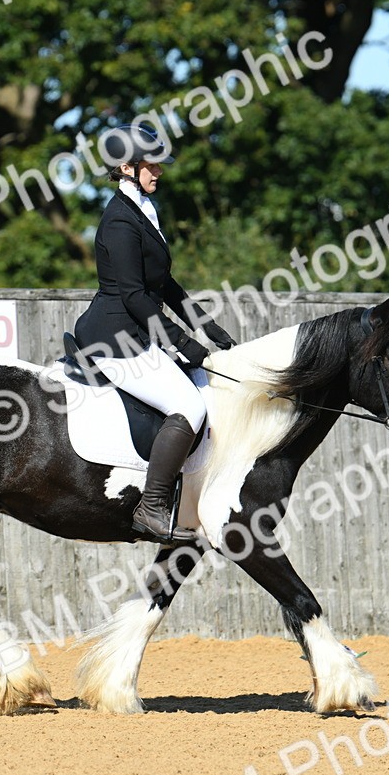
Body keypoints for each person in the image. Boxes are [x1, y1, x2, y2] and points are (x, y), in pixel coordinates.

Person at [74, 124, 236, 543]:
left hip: (135, 330)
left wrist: (209, 327)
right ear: (126, 167)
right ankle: (152, 507)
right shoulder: (119, 222)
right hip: (114, 337)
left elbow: (163, 285)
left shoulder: (143, 209)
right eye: (152, 164)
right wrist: (183, 343)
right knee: (189, 406)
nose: (160, 171)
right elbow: (133, 296)